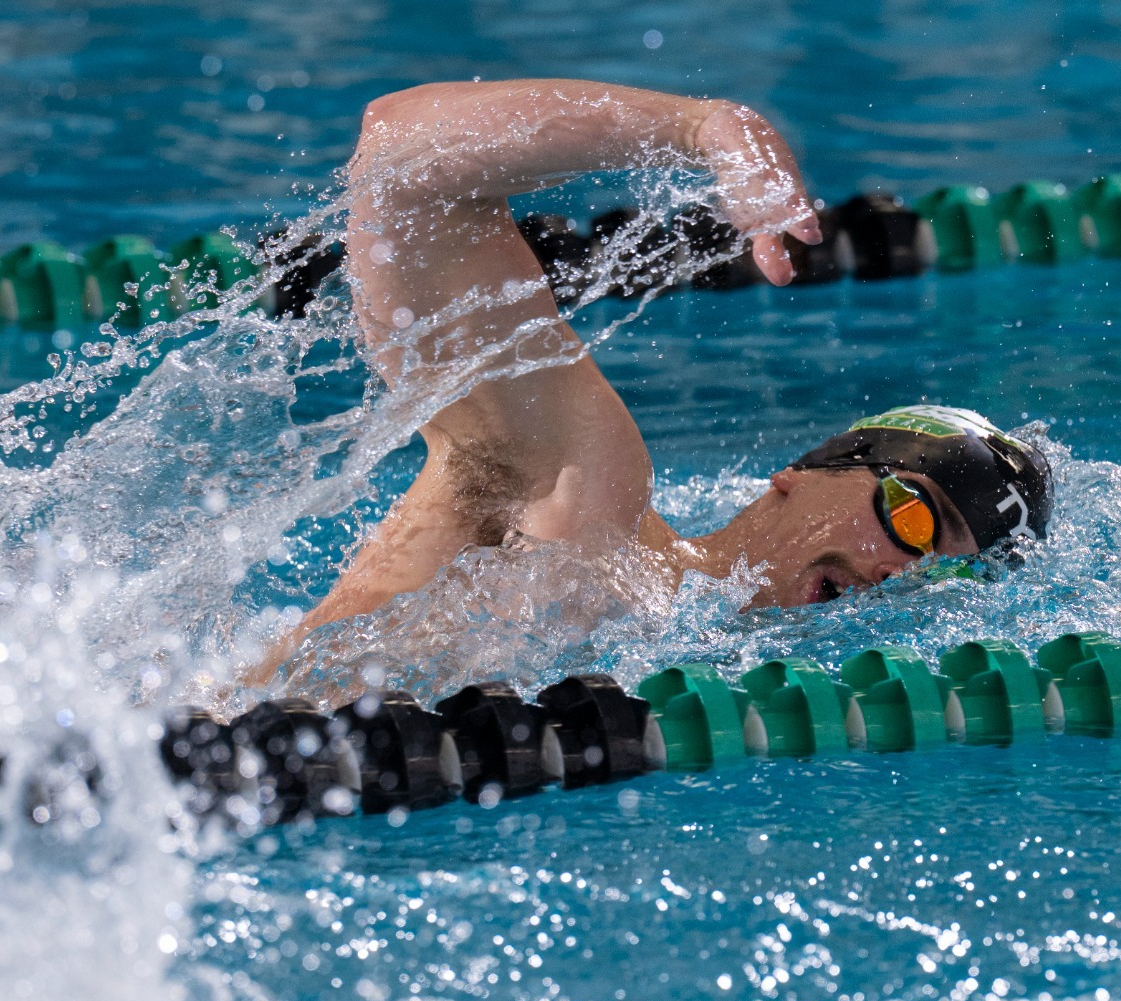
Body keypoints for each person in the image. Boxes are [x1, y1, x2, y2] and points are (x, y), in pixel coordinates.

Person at [279, 79, 1052, 667]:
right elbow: (400, 165)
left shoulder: (714, 677)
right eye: (915, 518)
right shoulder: (588, 502)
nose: (902, 573)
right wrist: (702, 128)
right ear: (804, 473)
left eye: (944, 574)